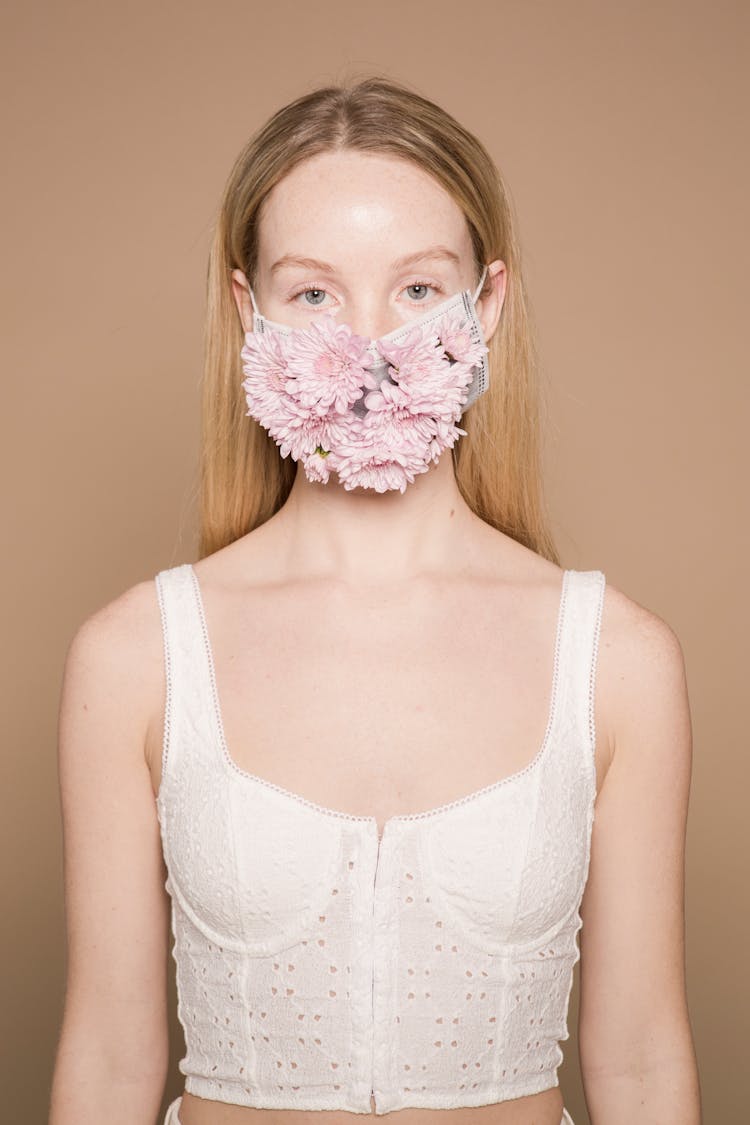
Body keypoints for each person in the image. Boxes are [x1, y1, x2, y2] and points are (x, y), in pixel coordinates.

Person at [49, 77, 701, 1125]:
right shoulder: (133, 656)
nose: (369, 348)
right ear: (245, 311)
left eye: (416, 291)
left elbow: (640, 1061)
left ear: (485, 307)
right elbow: (111, 1057)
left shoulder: (621, 659)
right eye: (314, 293)